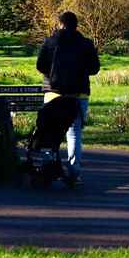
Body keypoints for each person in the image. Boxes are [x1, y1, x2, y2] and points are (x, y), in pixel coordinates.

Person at [35, 10, 100, 185]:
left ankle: (47, 167)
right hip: (78, 95)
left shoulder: (50, 41)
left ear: (60, 24)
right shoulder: (86, 44)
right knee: (74, 133)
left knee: (49, 132)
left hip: (52, 93)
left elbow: (40, 65)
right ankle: (74, 171)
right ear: (76, 25)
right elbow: (94, 69)